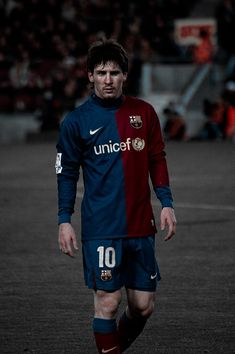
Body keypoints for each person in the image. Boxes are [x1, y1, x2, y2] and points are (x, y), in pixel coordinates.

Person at [55, 39, 176, 354]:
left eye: (114, 73)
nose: (108, 80)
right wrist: (64, 220)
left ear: (125, 75)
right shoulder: (76, 122)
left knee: (143, 306)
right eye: (101, 73)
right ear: (90, 76)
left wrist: (166, 203)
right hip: (102, 228)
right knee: (108, 302)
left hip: (140, 225)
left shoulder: (144, 113)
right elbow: (66, 173)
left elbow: (157, 159)